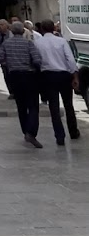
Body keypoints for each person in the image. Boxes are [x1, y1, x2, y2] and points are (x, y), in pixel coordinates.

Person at [33, 18, 81, 146]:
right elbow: (70, 59)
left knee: (54, 107)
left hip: (48, 76)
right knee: (68, 105)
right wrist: (75, 76)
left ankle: (59, 136)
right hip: (64, 75)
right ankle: (73, 131)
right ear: (54, 28)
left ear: (42, 29)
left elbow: (36, 61)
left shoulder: (38, 43)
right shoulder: (61, 41)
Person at [0, 21, 43, 148]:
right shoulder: (29, 43)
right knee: (33, 105)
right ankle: (31, 131)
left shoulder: (6, 44)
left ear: (11, 31)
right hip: (29, 75)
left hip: (14, 76)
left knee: (21, 105)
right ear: (23, 31)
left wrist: (10, 63)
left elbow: (0, 58)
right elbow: (37, 60)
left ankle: (25, 131)